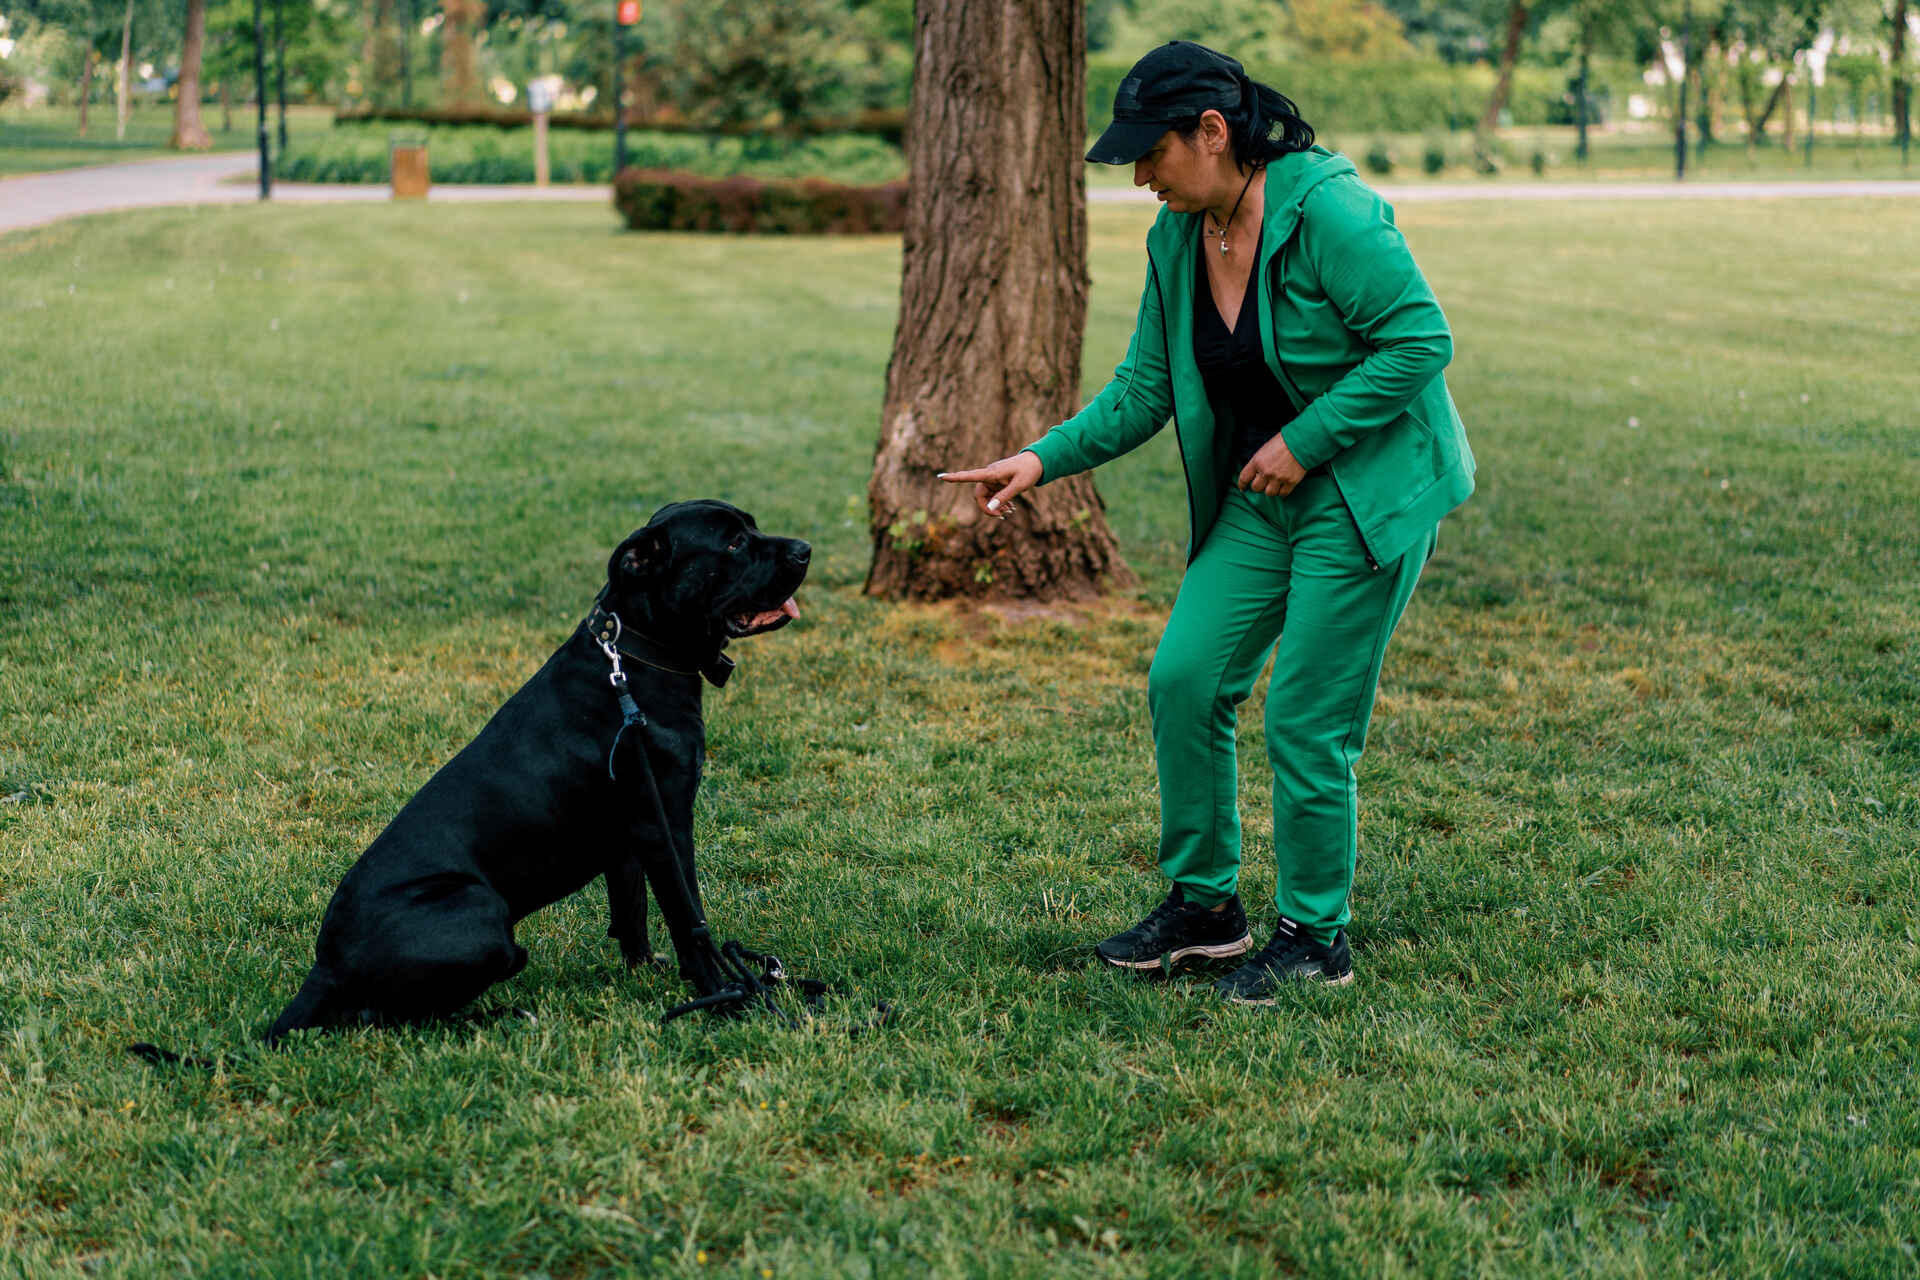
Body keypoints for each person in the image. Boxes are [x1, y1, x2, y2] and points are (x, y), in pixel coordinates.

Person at [938, 41, 1474, 1004]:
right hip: (1262, 497)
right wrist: (1040, 459)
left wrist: (1306, 441)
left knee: (1307, 721)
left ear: (1215, 133)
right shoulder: (1178, 237)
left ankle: (1315, 936)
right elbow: (1146, 386)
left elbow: (1420, 341)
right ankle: (1206, 909)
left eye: (1152, 152)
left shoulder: (1330, 213)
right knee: (1185, 678)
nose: (1140, 175)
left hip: (1365, 493)